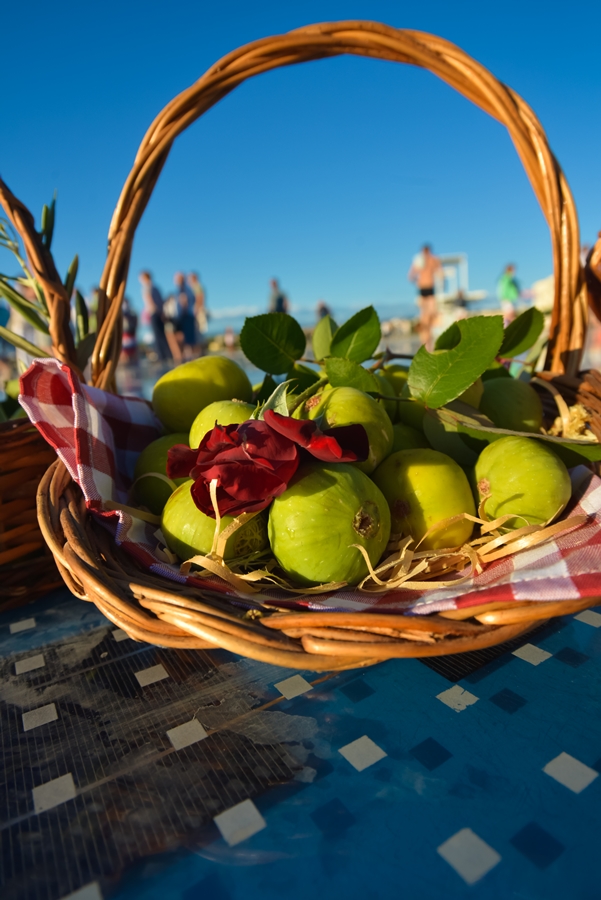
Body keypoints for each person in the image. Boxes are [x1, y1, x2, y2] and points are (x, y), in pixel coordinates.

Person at [408, 244, 442, 351]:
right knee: (427, 315)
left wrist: (417, 280)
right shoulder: (431, 260)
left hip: (424, 287)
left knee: (428, 315)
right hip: (427, 287)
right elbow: (440, 272)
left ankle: (427, 340)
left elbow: (410, 276)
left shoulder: (423, 260)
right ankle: (426, 341)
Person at [138, 271, 171, 361]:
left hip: (154, 313)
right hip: (159, 312)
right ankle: (166, 355)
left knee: (158, 335)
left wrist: (155, 310)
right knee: (161, 334)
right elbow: (161, 301)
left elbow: (149, 299)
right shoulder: (156, 287)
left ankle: (162, 356)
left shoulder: (147, 287)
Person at [173, 271, 196, 360]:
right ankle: (188, 357)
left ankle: (189, 358)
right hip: (185, 316)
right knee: (186, 338)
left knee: (187, 339)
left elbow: (184, 302)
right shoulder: (185, 289)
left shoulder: (183, 289)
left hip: (185, 316)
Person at [187, 272, 209, 351]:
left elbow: (200, 298)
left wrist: (196, 310)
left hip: (198, 312)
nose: (188, 281)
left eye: (189, 279)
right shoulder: (197, 286)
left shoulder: (197, 286)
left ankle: (201, 351)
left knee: (198, 332)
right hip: (198, 311)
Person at [120, 297, 138, 364]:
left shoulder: (132, 313)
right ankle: (125, 362)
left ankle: (133, 362)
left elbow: (136, 322)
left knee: (132, 351)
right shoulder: (121, 313)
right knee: (125, 351)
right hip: (124, 334)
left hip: (131, 333)